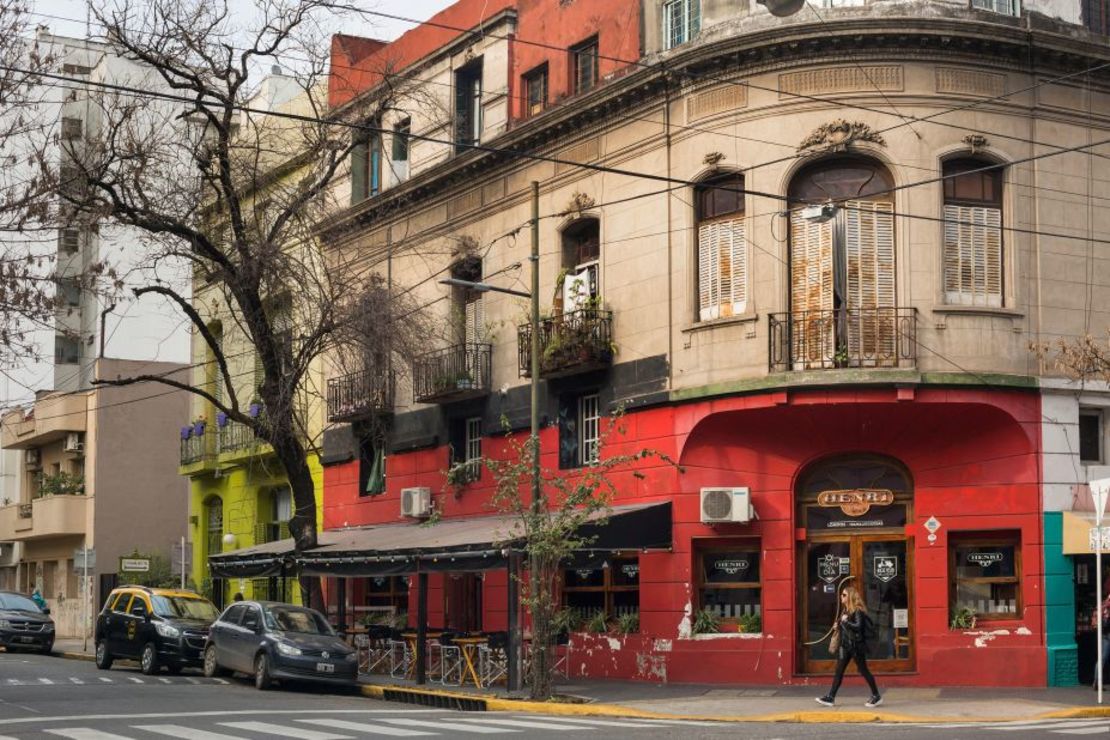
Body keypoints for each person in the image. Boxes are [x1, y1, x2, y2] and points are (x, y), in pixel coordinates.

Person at [816, 585, 882, 708]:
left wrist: (845, 622)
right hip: (845, 646)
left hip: (856, 646)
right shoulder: (845, 611)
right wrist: (839, 626)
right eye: (841, 594)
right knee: (839, 671)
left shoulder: (858, 611)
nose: (841, 596)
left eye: (844, 595)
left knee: (864, 671)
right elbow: (846, 628)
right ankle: (831, 697)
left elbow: (858, 627)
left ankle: (876, 695)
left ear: (850, 597)